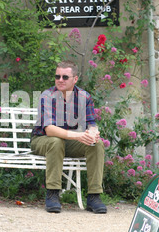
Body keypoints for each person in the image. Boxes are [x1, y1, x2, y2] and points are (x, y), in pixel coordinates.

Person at [31, 61, 107, 214]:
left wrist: (93, 132)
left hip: (68, 143)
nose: (60, 80)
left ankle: (94, 196)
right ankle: (52, 193)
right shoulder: (47, 96)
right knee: (55, 141)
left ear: (75, 79)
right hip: (42, 140)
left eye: (65, 77)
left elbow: (91, 123)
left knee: (96, 144)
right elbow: (49, 129)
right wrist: (79, 135)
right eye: (57, 76)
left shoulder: (84, 97)